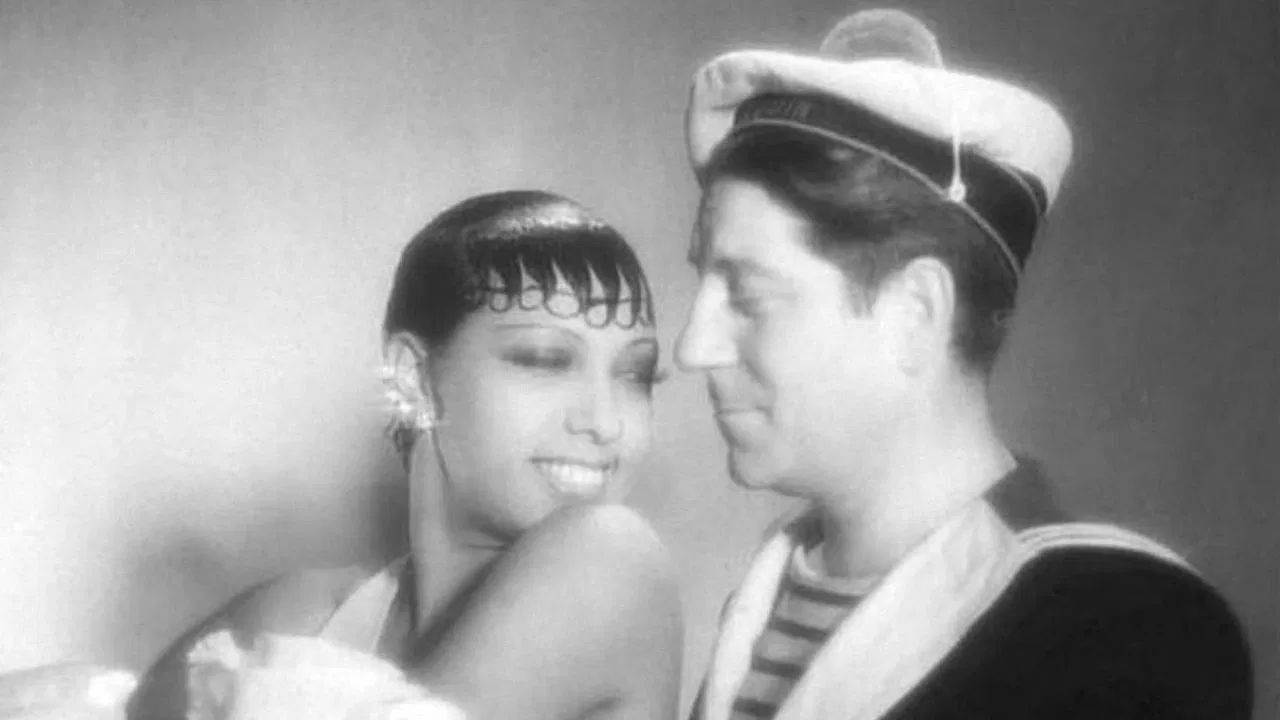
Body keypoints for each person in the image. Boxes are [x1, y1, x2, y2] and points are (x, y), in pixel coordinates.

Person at [677, 8, 1252, 720]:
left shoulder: (1122, 626)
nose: (692, 346)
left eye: (748, 295)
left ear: (916, 312)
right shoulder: (765, 597)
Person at [116, 190, 684, 720]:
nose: (606, 421)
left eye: (636, 375)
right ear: (413, 378)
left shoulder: (613, 560)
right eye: (544, 360)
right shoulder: (304, 616)